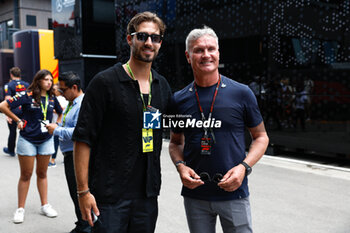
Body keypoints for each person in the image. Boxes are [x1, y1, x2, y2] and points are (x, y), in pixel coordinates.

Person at [72, 11, 172, 233]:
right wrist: (83, 192)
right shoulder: (105, 82)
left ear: (160, 44)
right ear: (130, 39)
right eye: (142, 36)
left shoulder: (162, 86)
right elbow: (83, 139)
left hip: (147, 196)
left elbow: (175, 130)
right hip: (109, 197)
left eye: (155, 38)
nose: (149, 42)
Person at [169, 26, 269, 233]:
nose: (206, 55)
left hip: (234, 193)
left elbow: (261, 137)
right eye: (199, 50)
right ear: (188, 56)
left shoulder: (242, 93)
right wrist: (180, 166)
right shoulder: (178, 99)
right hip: (195, 196)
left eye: (211, 49)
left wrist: (244, 167)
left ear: (218, 54)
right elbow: (175, 142)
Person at [0, 69, 63, 223]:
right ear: (39, 80)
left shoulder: (52, 97)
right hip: (27, 140)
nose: (49, 82)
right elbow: (3, 106)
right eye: (46, 79)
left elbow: (61, 112)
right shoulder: (27, 95)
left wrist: (57, 123)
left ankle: (45, 205)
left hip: (46, 140)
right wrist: (17, 120)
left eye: (51, 79)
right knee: (26, 175)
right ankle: (20, 209)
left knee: (42, 174)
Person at [46, 71, 91, 233]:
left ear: (74, 87)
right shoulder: (72, 103)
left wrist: (56, 130)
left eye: (63, 90)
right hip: (69, 154)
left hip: (77, 154)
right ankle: (82, 222)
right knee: (75, 192)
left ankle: (87, 225)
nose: (62, 94)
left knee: (81, 192)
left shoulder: (83, 104)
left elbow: (80, 132)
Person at [3, 67, 29, 156]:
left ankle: (11, 150)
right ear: (19, 74)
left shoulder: (9, 85)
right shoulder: (26, 84)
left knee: (12, 131)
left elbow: (8, 99)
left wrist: (8, 115)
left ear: (11, 75)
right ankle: (27, 149)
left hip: (13, 111)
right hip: (24, 111)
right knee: (25, 130)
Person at [49, 84, 68, 167]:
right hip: (59, 122)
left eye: (55, 89)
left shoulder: (61, 99)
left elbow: (63, 110)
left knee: (56, 142)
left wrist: (52, 109)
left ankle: (53, 160)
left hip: (58, 123)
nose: (53, 91)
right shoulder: (56, 98)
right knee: (61, 141)